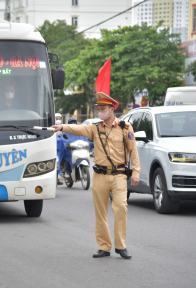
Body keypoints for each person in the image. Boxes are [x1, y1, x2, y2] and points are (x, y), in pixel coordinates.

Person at [51, 92, 140, 260]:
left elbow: (133, 151)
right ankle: (104, 246)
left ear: (112, 109)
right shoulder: (95, 128)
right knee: (100, 213)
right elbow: (79, 128)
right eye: (98, 108)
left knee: (121, 207)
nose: (100, 111)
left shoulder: (125, 128)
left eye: (103, 108)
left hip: (119, 175)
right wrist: (62, 127)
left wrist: (135, 172)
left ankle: (120, 246)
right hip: (99, 175)